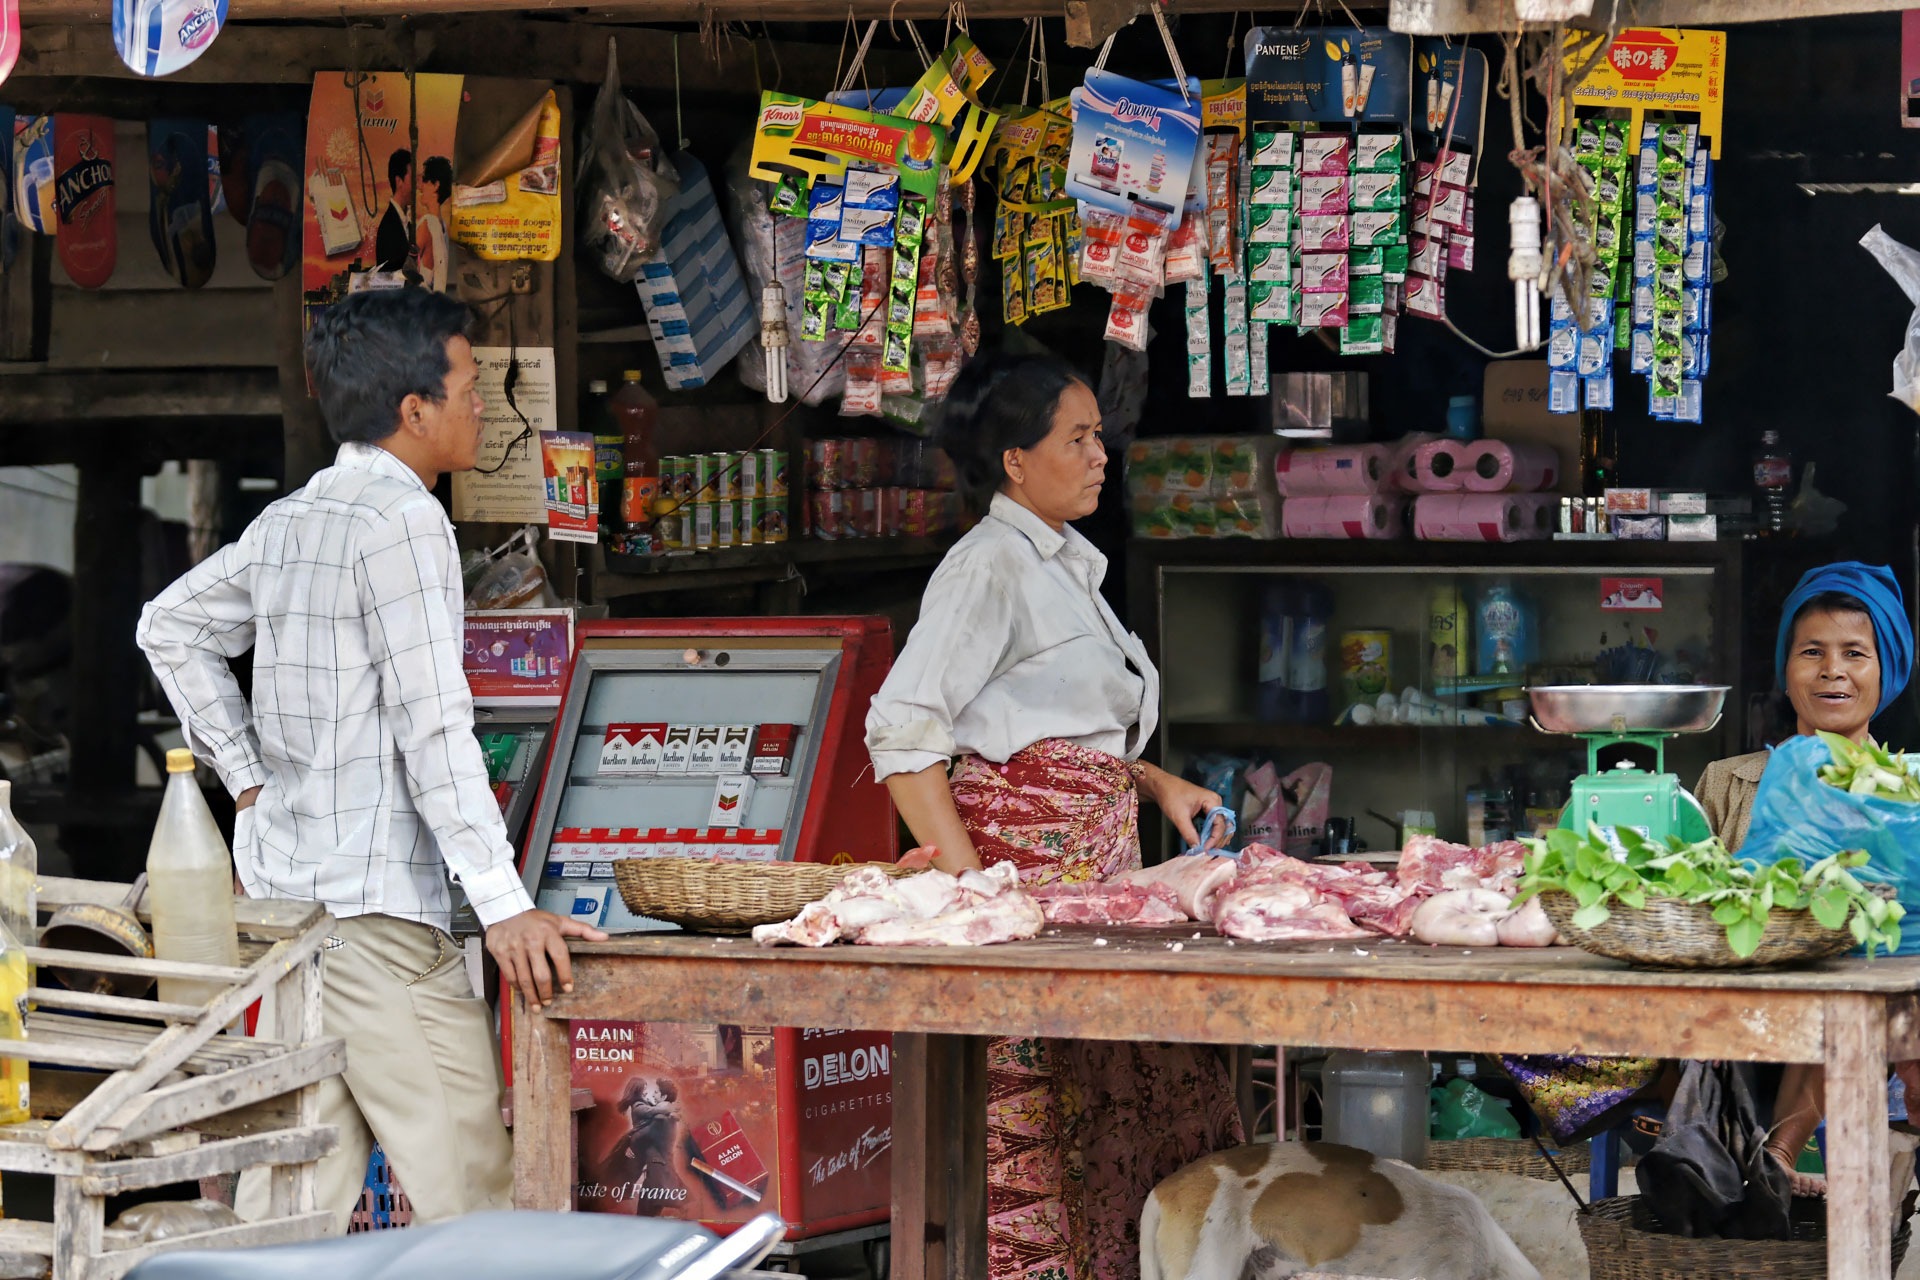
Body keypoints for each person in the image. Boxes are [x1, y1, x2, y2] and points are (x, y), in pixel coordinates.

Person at [136, 287, 607, 1232]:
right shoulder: (403, 522)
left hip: (292, 919)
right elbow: (435, 727)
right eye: (471, 384)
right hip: (377, 924)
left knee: (293, 1200)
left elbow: (168, 624)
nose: (484, 406)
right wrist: (506, 907)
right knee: (473, 1196)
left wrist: (250, 773)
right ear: (415, 410)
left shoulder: (294, 519)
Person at [865, 351, 1243, 1280]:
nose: (1099, 456)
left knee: (1132, 1103)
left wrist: (1151, 783)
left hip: (1095, 889)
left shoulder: (1066, 564)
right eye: (1076, 439)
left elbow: (1045, 716)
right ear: (1016, 463)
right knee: (1035, 1123)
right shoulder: (986, 566)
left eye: (1099, 438)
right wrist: (970, 891)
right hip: (1025, 899)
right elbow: (905, 726)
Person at [1694, 561, 1916, 1194]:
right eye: (1811, 651)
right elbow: (1681, 900)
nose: (1832, 671)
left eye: (1855, 653)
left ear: (1888, 669)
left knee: (1849, 992)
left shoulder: (1906, 795)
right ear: (1786, 670)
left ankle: (1781, 1154)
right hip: (1734, 1016)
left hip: (1861, 1026)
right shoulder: (1727, 782)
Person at [414, 155, 453, 293]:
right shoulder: (443, 229)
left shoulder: (427, 224)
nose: (420, 186)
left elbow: (403, 268)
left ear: (436, 185)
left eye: (424, 180)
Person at [374, 149, 413, 273]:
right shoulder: (388, 227)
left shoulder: (407, 223)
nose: (416, 185)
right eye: (412, 179)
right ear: (399, 181)